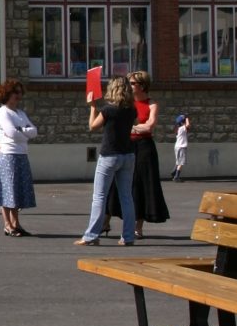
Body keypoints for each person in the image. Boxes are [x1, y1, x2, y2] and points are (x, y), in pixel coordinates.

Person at [103, 71, 169, 239]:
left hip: (144, 147)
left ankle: (137, 227)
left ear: (142, 85)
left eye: (133, 83)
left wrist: (129, 127)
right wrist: (133, 127)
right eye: (129, 83)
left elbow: (149, 126)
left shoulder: (151, 104)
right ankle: (105, 221)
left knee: (140, 185)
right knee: (112, 184)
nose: (130, 86)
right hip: (124, 145)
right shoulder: (126, 103)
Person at [75, 76, 137, 247]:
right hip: (128, 155)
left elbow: (93, 126)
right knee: (126, 197)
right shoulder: (132, 110)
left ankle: (91, 235)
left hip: (109, 155)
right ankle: (128, 236)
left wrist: (93, 107)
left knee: (99, 196)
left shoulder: (108, 110)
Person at [0, 79, 38, 237]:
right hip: (8, 156)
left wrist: (21, 131)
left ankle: (16, 224)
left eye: (20, 92)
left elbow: (34, 131)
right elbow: (11, 133)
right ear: (7, 94)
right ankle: (8, 225)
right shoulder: (3, 112)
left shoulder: (20, 113)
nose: (19, 95)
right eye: (16, 92)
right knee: (7, 192)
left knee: (16, 191)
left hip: (21, 155)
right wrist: (24, 133)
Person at [172, 114, 190, 182]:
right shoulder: (182, 128)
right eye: (184, 121)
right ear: (182, 122)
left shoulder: (177, 129)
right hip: (182, 146)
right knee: (181, 162)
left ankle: (173, 172)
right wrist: (187, 118)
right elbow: (188, 125)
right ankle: (176, 177)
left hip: (176, 146)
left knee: (178, 161)